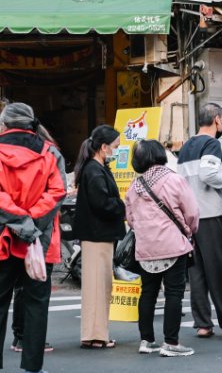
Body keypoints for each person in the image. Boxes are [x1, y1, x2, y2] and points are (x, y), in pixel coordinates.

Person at [0, 102, 66, 373]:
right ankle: (32, 367)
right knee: (37, 304)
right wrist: (32, 224)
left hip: (4, 238)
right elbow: (57, 192)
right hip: (40, 242)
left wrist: (20, 223)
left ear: (4, 124)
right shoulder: (50, 152)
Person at [125, 140, 199, 357]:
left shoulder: (134, 187)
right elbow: (192, 212)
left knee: (147, 293)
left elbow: (130, 219)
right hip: (173, 246)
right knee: (174, 293)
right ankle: (171, 343)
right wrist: (189, 230)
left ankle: (146, 340)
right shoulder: (174, 180)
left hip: (145, 248)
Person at [177, 103, 222, 338]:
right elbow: (208, 173)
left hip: (189, 218)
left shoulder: (185, 148)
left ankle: (203, 323)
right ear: (217, 120)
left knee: (198, 272)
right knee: (221, 270)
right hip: (211, 216)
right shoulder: (211, 144)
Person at [73, 125, 125, 349]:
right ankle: (96, 336)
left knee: (98, 286)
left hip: (97, 235)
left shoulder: (93, 168)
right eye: (115, 147)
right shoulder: (94, 171)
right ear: (103, 147)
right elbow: (103, 203)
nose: (116, 151)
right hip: (98, 235)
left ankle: (96, 334)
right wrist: (122, 206)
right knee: (98, 286)